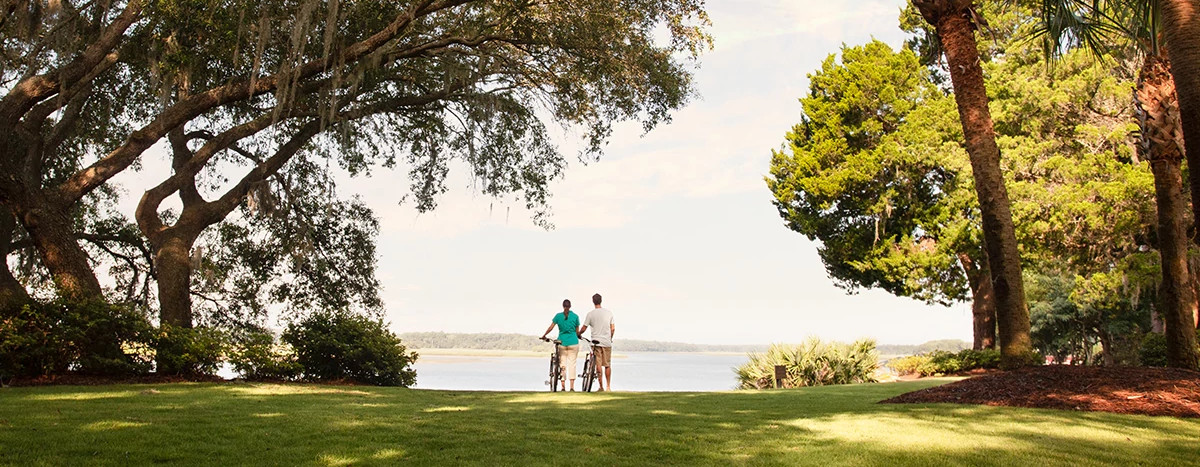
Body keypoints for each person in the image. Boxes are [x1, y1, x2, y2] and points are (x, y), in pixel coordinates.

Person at [540, 299, 581, 391]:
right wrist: (578, 335)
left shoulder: (558, 316)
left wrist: (544, 335)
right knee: (572, 364)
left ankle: (563, 386)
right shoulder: (575, 316)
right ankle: (572, 387)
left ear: (563, 306)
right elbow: (577, 332)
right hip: (573, 343)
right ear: (570, 306)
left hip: (562, 343)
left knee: (562, 364)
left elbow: (551, 327)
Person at [578, 293, 615, 391]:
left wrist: (579, 334)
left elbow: (584, 328)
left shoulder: (590, 314)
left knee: (598, 365)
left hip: (596, 342)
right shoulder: (609, 313)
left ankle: (601, 386)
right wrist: (610, 338)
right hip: (607, 342)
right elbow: (613, 328)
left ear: (593, 301)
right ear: (601, 300)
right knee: (607, 365)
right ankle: (608, 387)